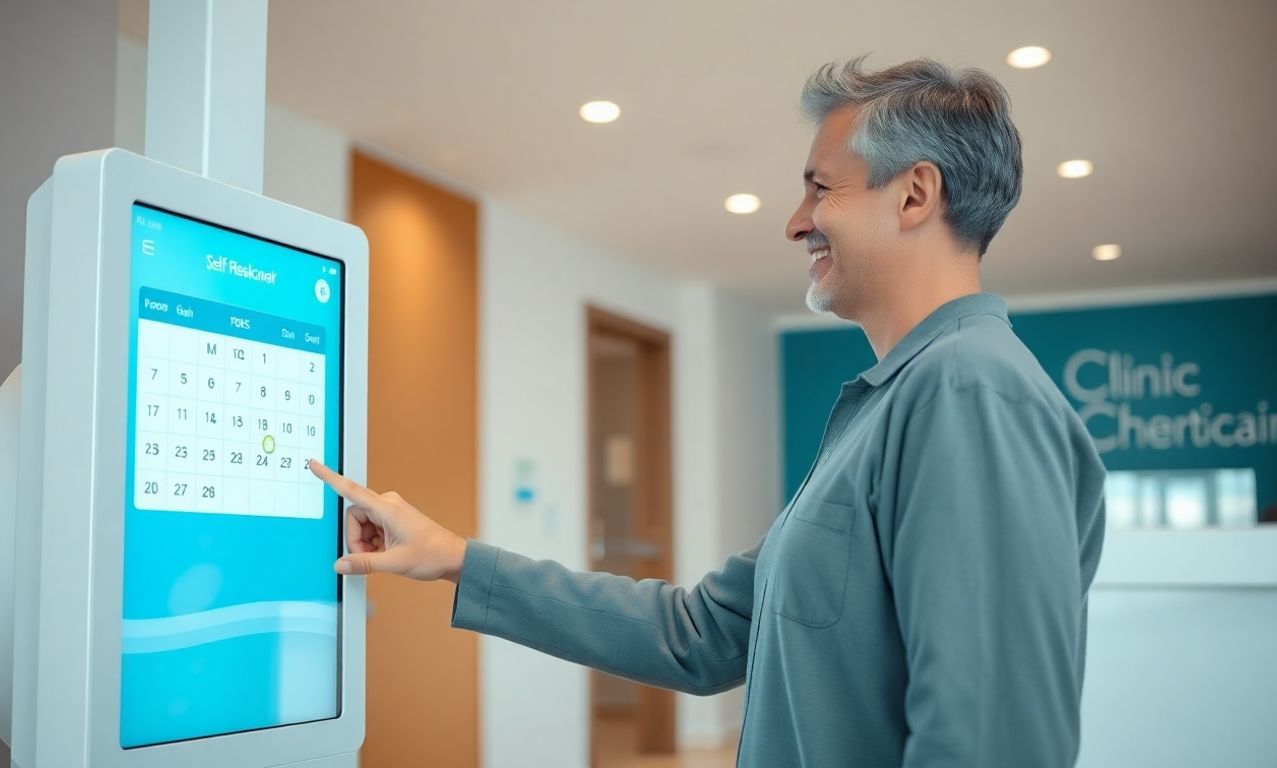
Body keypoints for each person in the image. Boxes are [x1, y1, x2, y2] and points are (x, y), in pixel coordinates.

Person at [308, 55, 1107, 767]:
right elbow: (699, 635)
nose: (796, 221)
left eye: (819, 188)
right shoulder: (892, 406)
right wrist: (455, 556)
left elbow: (993, 743)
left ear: (915, 194)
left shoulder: (970, 393)